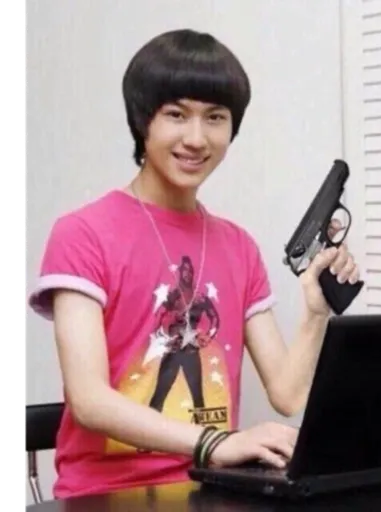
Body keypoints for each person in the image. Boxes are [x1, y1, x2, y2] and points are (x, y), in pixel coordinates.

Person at [28, 28, 360, 499]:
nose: (197, 138)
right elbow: (89, 400)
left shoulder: (239, 247)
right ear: (143, 120)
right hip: (103, 496)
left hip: (211, 492)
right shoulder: (82, 233)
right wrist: (215, 443)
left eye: (215, 117)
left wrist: (315, 310)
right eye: (176, 115)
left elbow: (287, 395)